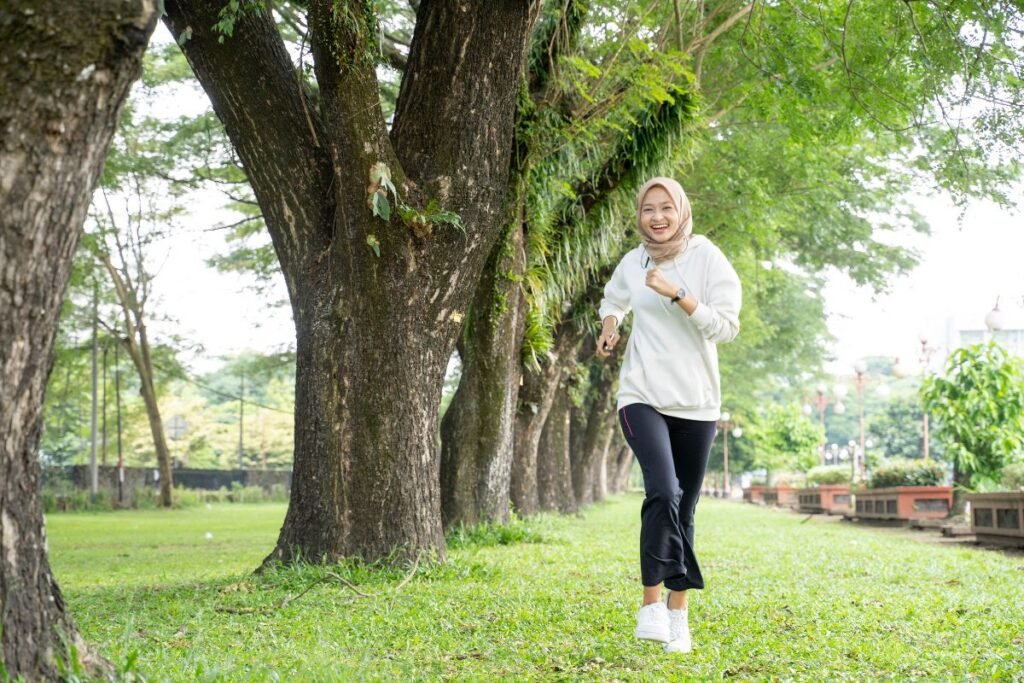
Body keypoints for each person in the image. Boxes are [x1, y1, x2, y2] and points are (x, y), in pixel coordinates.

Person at [596, 176, 741, 654]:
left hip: (697, 402)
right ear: (639, 215)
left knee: (685, 507)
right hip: (642, 394)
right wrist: (611, 323)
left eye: (665, 208)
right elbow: (614, 298)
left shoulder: (707, 257)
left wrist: (678, 293)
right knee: (662, 490)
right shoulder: (634, 261)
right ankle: (651, 606)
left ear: (681, 211)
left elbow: (726, 328)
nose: (656, 217)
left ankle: (679, 615)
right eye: (647, 209)